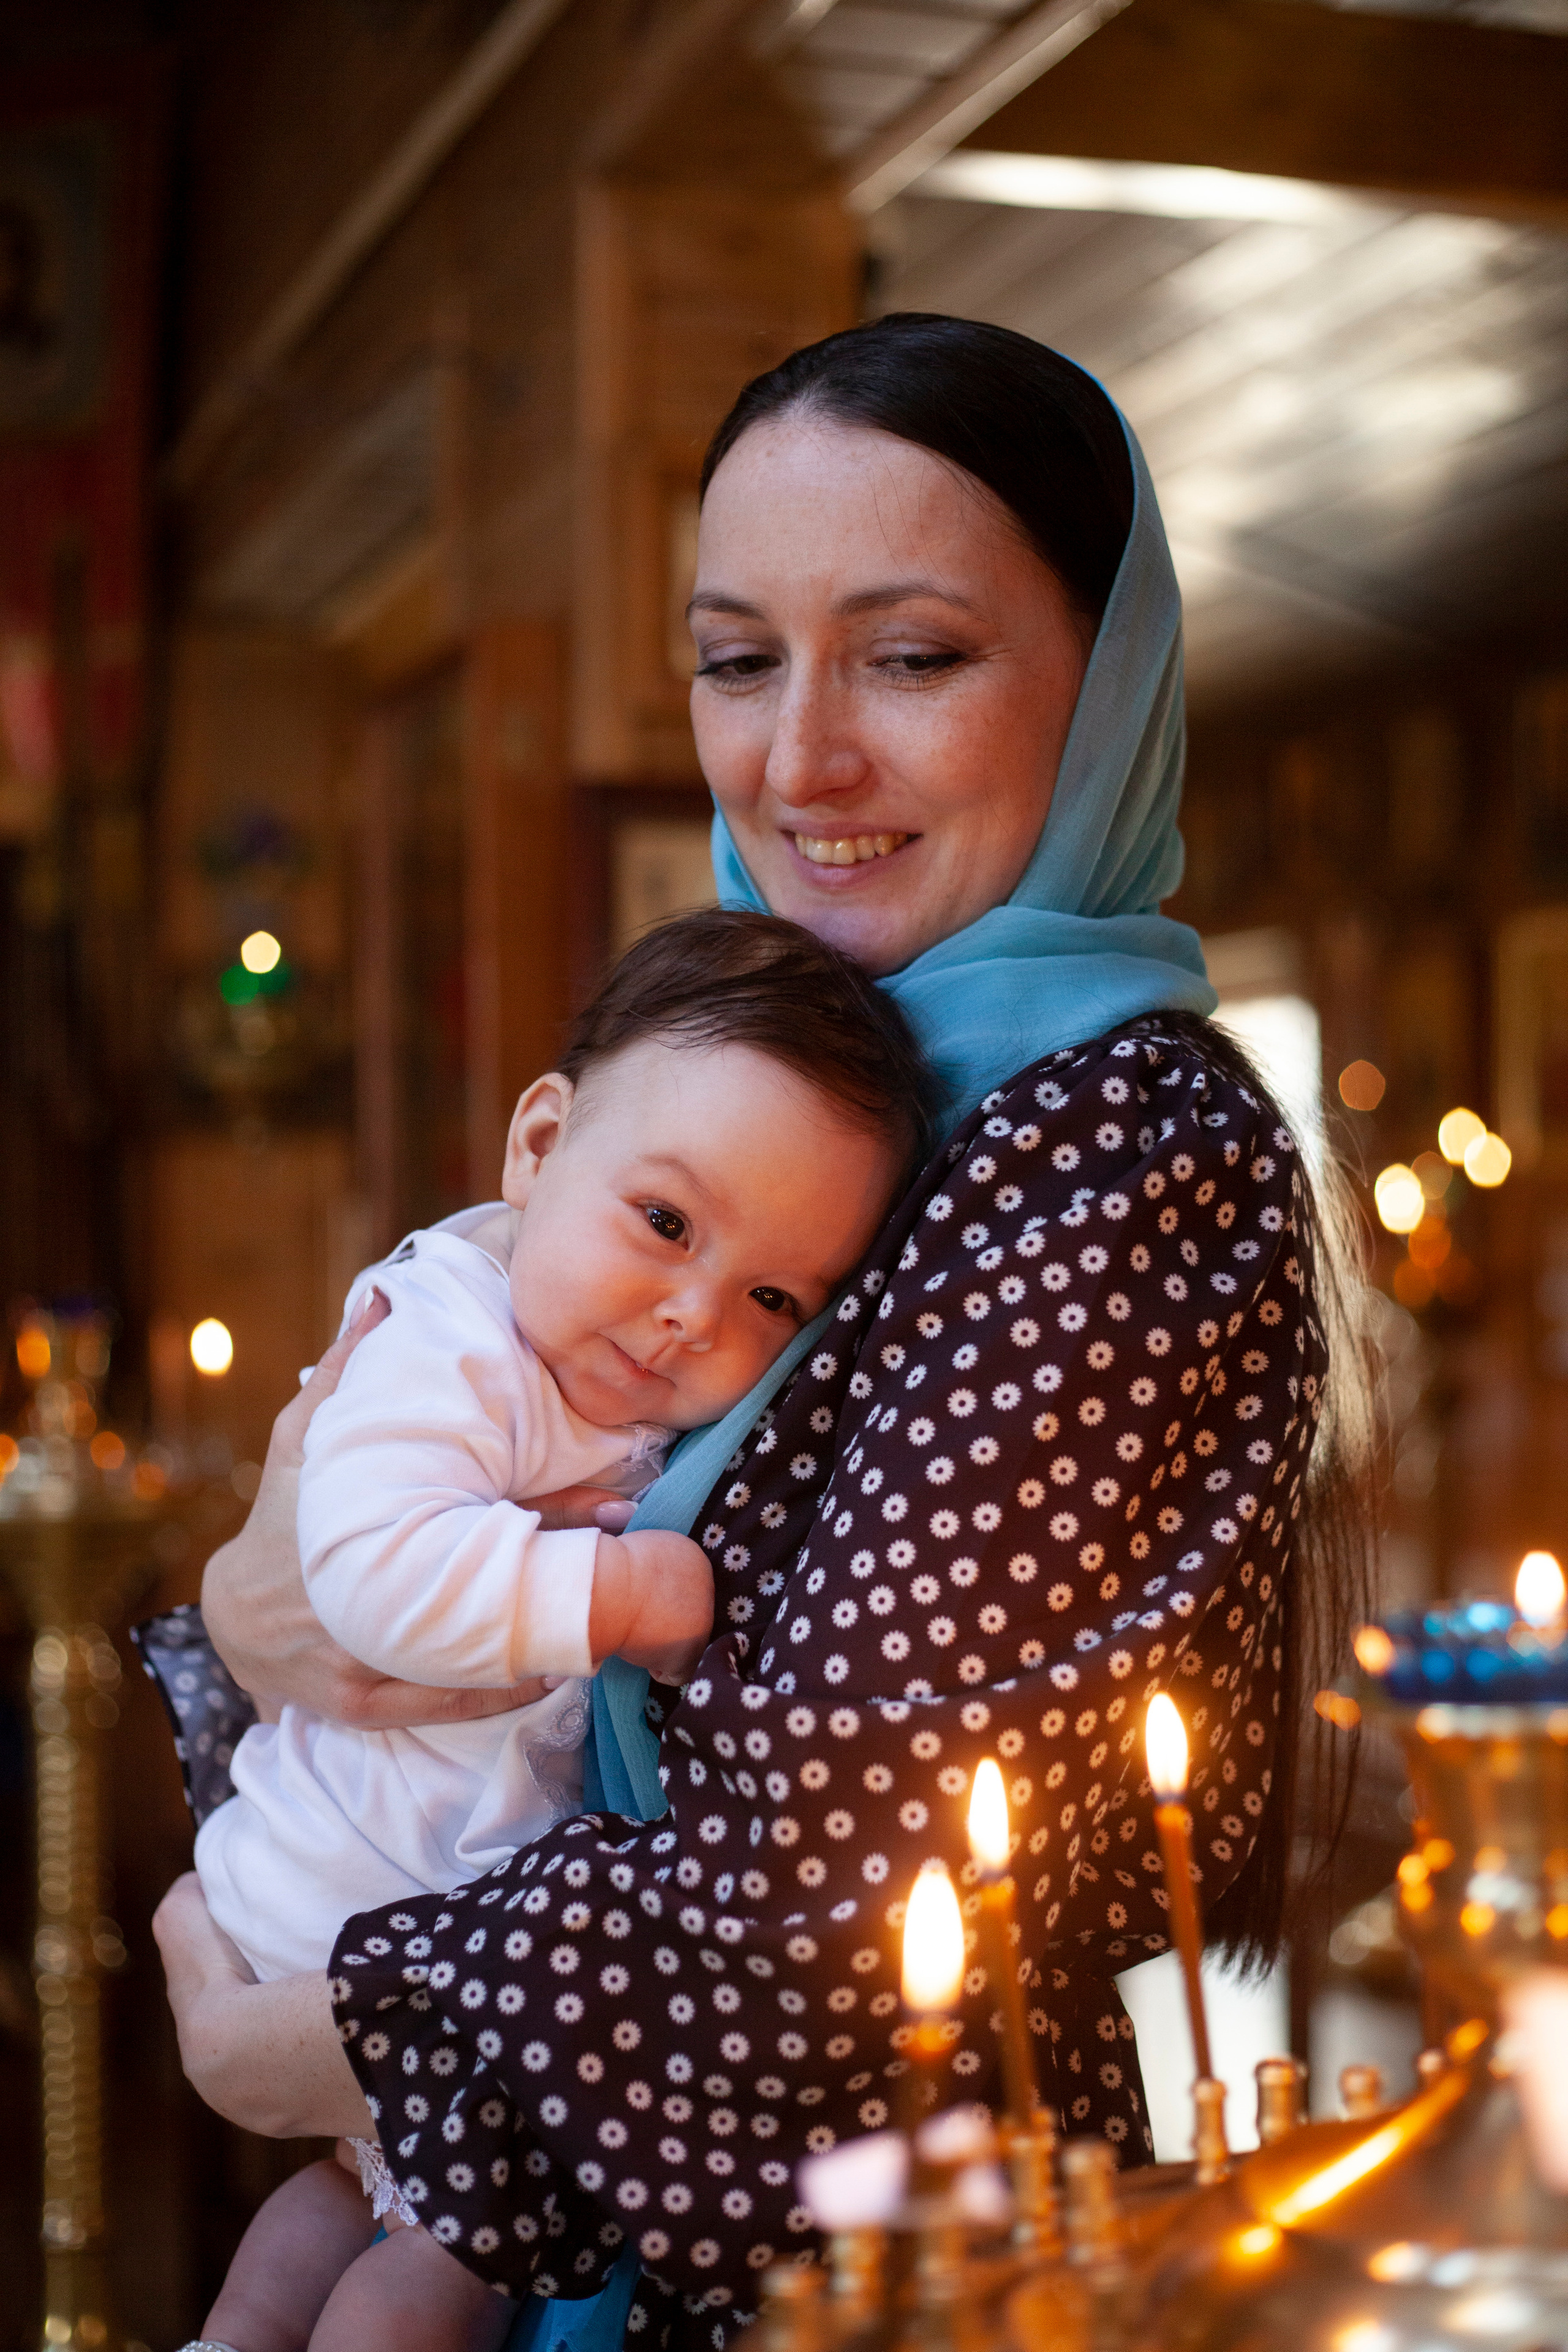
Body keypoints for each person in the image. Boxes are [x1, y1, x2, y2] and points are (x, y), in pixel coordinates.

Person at [153, 314, 1372, 2352]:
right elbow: (310, 1607)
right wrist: (260, 1605)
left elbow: (816, 1928)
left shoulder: (1123, 1156)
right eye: (738, 658)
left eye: (910, 656)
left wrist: (321, 2027)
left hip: (937, 2276)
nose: (800, 758)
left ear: (1111, 687)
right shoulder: (783, 1092)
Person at [179, 908, 937, 2352]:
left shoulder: (599, 1385)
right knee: (439, 2278)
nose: (686, 1317)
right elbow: (363, 1570)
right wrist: (623, 1596)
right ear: (537, 1147)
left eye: (772, 1298)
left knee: (346, 2218)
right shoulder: (454, 1332)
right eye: (663, 1223)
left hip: (410, 1897)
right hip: (361, 1894)